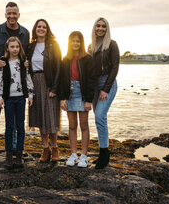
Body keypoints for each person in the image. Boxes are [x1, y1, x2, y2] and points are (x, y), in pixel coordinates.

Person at [0, 2, 30, 169]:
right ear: (5, 15)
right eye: (9, 13)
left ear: (19, 15)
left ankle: (16, 152)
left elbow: (26, 55)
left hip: (17, 87)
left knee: (16, 121)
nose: (11, 16)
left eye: (14, 13)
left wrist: (27, 64)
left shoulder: (25, 33)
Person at [0, 37, 34, 170]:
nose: (15, 49)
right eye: (12, 47)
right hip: (9, 99)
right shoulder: (4, 62)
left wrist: (30, 94)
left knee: (20, 126)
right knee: (9, 126)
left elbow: (27, 78)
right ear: (7, 48)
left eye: (17, 47)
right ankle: (9, 154)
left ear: (20, 48)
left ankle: (19, 154)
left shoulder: (23, 62)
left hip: (20, 98)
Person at [58, 31, 96, 168]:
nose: (75, 43)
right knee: (72, 125)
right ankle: (73, 154)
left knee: (84, 125)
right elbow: (62, 80)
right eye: (73, 41)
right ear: (69, 43)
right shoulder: (65, 59)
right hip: (69, 93)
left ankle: (84, 156)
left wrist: (88, 100)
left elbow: (91, 80)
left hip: (83, 93)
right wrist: (62, 98)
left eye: (78, 41)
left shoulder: (87, 59)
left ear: (81, 43)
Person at [26, 19, 62, 162]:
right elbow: (25, 65)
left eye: (44, 27)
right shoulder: (30, 46)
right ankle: (45, 148)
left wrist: (55, 88)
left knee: (51, 118)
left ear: (47, 30)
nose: (41, 29)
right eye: (39, 27)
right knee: (40, 117)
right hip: (35, 83)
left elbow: (59, 67)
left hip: (49, 82)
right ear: (35, 29)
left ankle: (55, 148)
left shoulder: (53, 45)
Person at [89, 17, 119, 169]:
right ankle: (102, 152)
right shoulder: (91, 47)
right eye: (98, 26)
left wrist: (105, 89)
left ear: (107, 29)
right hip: (95, 87)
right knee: (99, 118)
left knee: (100, 116)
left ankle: (104, 153)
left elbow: (115, 68)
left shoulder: (112, 45)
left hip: (108, 84)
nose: (100, 28)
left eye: (103, 26)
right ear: (94, 28)